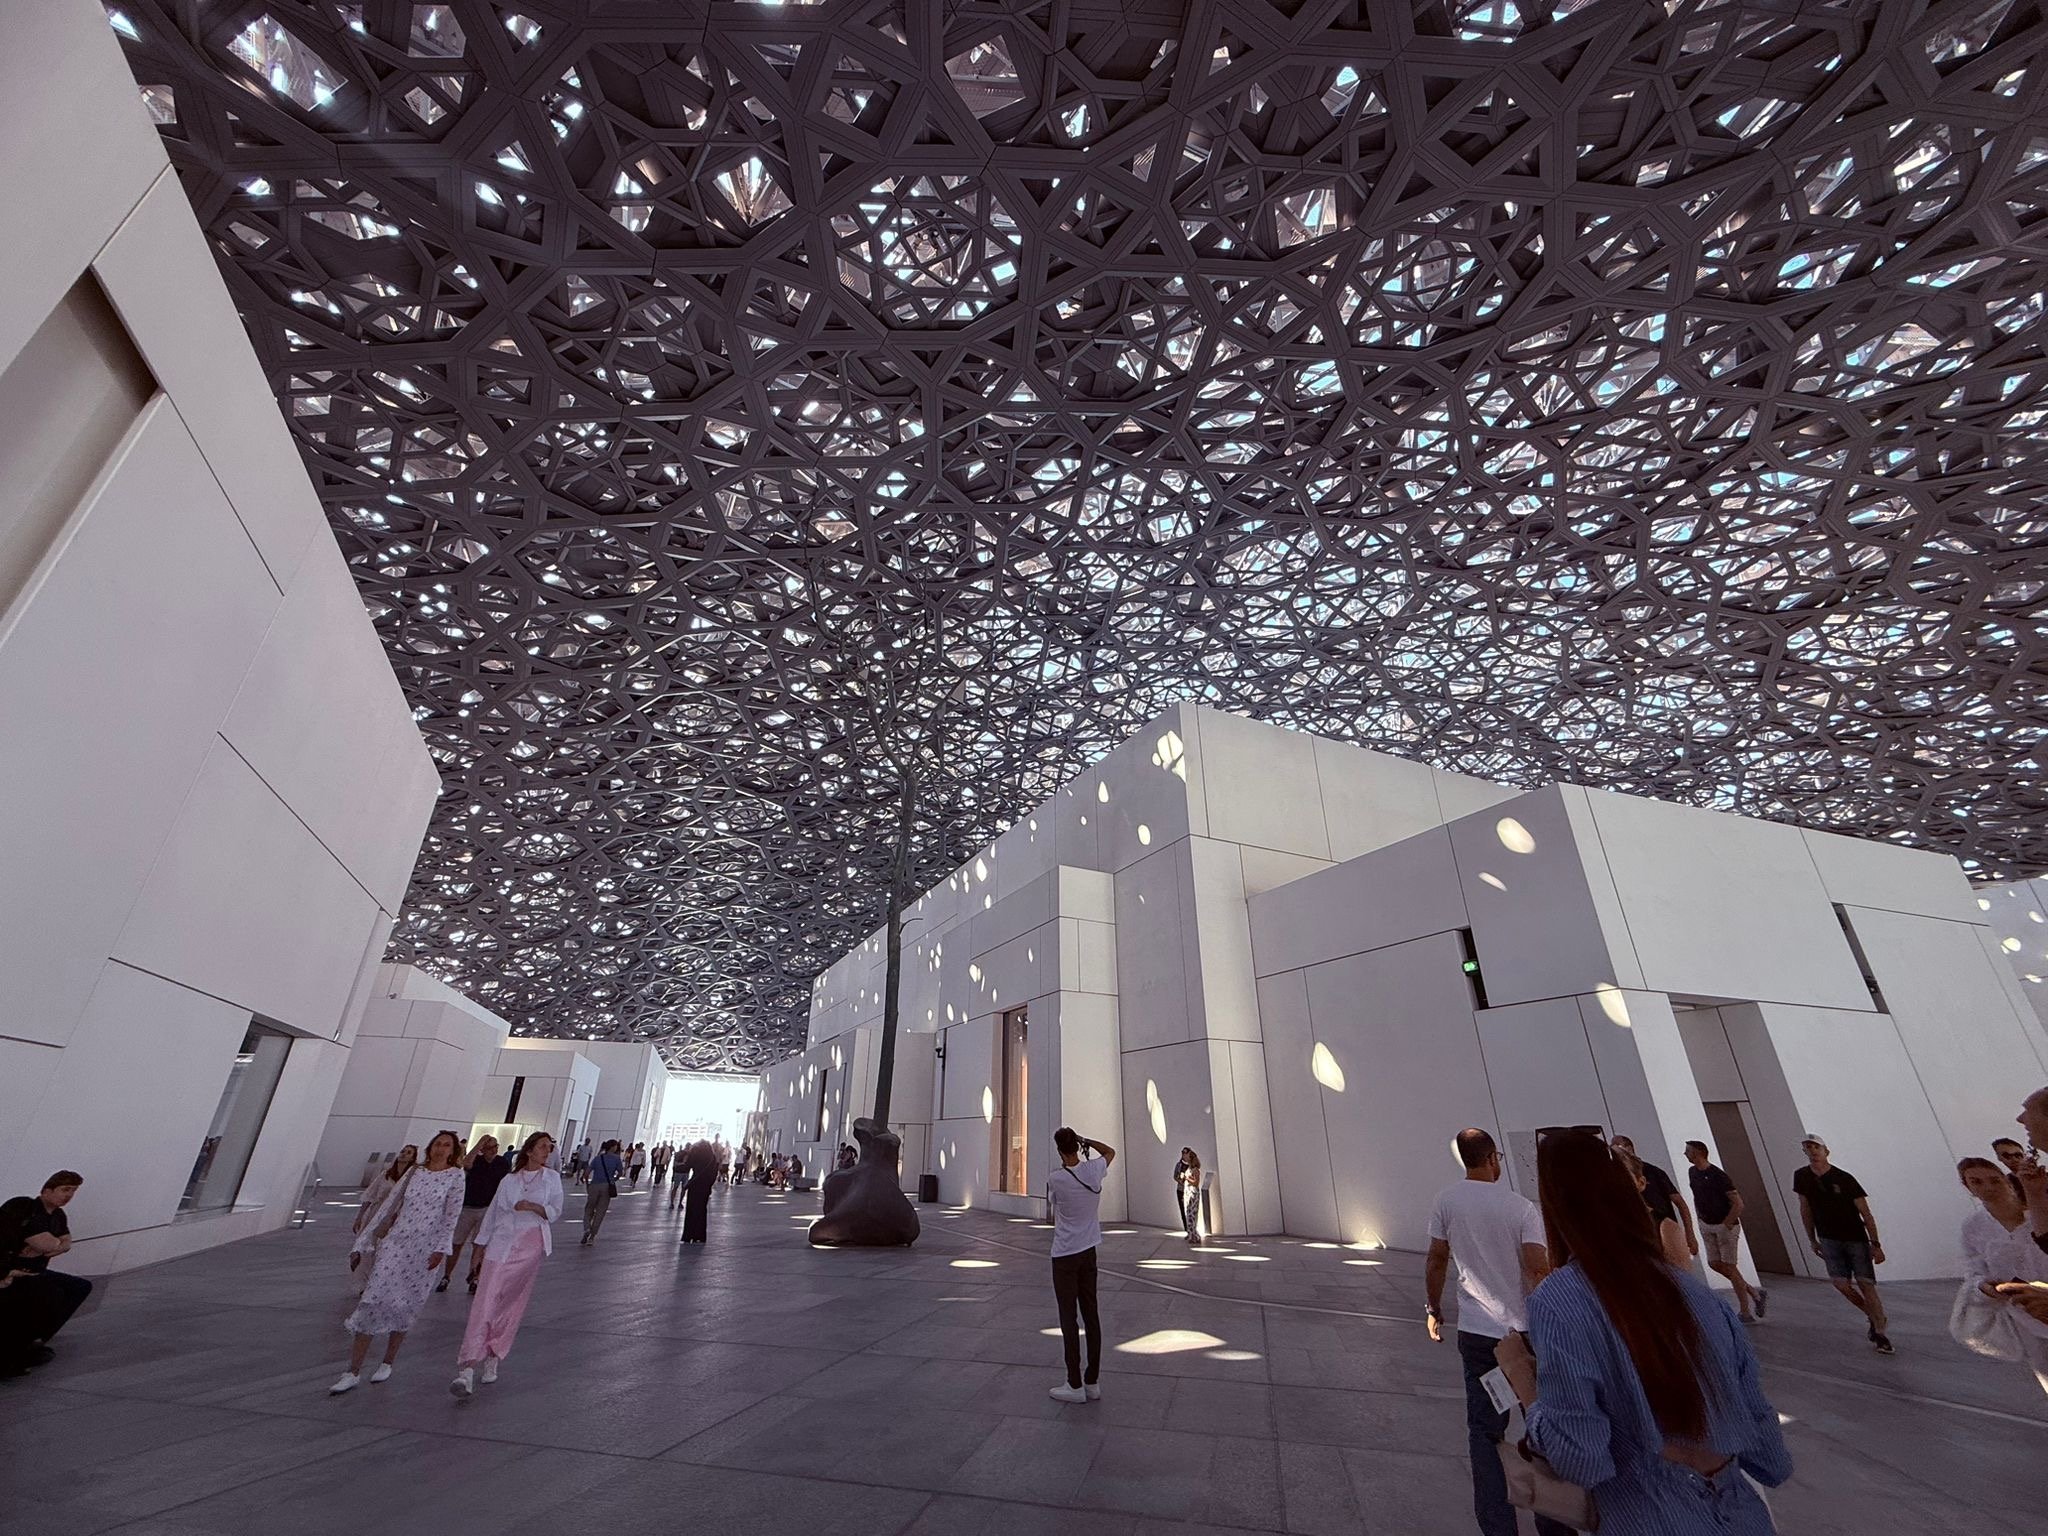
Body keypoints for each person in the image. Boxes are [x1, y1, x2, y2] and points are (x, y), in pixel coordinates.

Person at [1498, 1130, 1791, 1535]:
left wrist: (1524, 1382)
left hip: (1648, 1517)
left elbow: (1582, 1459)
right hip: (1743, 1517)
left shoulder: (1561, 1300)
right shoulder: (1698, 1296)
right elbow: (1771, 1459)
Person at [1424, 1129, 1570, 1536]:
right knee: (1541, 1425)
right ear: (1491, 1158)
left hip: (1477, 1337)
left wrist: (1433, 1308)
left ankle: (1497, 1525)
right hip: (1523, 1336)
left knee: (1485, 1433)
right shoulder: (1521, 1209)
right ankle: (1554, 1523)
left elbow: (1437, 1258)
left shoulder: (1446, 1201)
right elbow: (1538, 1269)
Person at [332, 1129, 465, 1393]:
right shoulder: (415, 1172)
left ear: (453, 1151)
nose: (440, 1149)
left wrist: (441, 1249)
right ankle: (353, 1370)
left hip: (424, 1249)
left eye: (446, 1145)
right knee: (372, 1298)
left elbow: (452, 1215)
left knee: (406, 1303)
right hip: (396, 1242)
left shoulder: (456, 1176)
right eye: (437, 1144)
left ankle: (388, 1361)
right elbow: (389, 1206)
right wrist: (364, 1242)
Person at [451, 1131, 562, 1397]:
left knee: (510, 1303)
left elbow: (556, 1210)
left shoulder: (551, 1179)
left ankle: (493, 1354)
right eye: (543, 1147)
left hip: (529, 1246)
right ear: (530, 1150)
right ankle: (466, 1367)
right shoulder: (509, 1180)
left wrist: (533, 1207)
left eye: (549, 1147)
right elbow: (493, 1213)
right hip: (501, 1243)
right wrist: (479, 1246)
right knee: (485, 1301)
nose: (547, 1151)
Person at [1955, 1156, 2048, 1395]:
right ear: (1968, 1187)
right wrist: (1984, 1287)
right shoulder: (1972, 1227)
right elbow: (1974, 1271)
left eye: (1993, 1181)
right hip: (2025, 1312)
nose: (1987, 1188)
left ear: (2006, 1181)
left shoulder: (2037, 1213)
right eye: (1977, 1182)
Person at [1792, 1133, 1892, 1353]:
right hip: (1828, 1237)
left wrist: (1875, 1243)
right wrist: (1812, 1238)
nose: (1813, 1151)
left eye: (1816, 1147)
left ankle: (1881, 1333)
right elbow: (1805, 1208)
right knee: (1841, 1284)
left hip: (1855, 1237)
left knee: (1866, 1283)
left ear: (1825, 1151)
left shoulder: (1844, 1178)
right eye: (1808, 1148)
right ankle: (1874, 1316)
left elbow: (1865, 1212)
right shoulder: (1802, 1177)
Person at [1046, 1127, 1115, 1404]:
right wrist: (1088, 1141)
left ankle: (1073, 1383)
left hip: (1064, 1253)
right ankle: (1092, 1381)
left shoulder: (1056, 1179)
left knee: (1068, 1318)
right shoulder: (1094, 1171)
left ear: (1059, 1150)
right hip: (1089, 1251)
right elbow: (1110, 1152)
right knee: (1091, 1315)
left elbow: (1054, 1209)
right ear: (1076, 1145)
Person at [0, 1171, 93, 1370]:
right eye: (65, 1190)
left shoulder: (58, 1215)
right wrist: (51, 1244)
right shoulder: (25, 1207)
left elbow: (64, 1243)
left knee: (80, 1286)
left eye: (73, 1191)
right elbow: (48, 1244)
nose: (69, 1195)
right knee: (51, 1293)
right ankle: (21, 1346)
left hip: (35, 1271)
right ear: (47, 1191)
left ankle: (39, 1337)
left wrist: (52, 1245)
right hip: (13, 1271)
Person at [1684, 1140, 1765, 1322]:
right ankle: (1753, 1292)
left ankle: (1745, 1311)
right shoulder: (1693, 1172)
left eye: (1688, 1151)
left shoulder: (1718, 1176)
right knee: (1714, 1263)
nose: (1685, 1154)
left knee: (1730, 1267)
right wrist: (1700, 1218)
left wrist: (1726, 1223)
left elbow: (1738, 1203)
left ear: (1698, 1153)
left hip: (1724, 1225)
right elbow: (1698, 1196)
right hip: (1707, 1223)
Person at [1610, 1135, 1697, 1263]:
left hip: (1662, 1233)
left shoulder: (1654, 1172)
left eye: (1618, 1147)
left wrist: (1690, 1234)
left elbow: (1680, 1203)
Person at [442, 1135, 510, 1295]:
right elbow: (465, 1164)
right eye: (490, 1147)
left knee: (479, 1245)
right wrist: (479, 1144)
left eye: (496, 1146)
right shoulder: (476, 1161)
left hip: (487, 1208)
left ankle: (474, 1277)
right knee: (456, 1243)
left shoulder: (501, 1163)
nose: (494, 1150)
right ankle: (446, 1276)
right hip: (467, 1208)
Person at [582, 1140, 624, 1245]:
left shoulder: (598, 1158)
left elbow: (587, 1173)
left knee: (589, 1209)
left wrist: (588, 1184)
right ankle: (592, 1236)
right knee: (600, 1212)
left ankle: (587, 1228)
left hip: (594, 1185)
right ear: (613, 1147)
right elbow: (620, 1173)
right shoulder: (616, 1159)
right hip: (607, 1187)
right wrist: (614, 1180)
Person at [680, 1139, 719, 1244]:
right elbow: (715, 1173)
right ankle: (700, 1236)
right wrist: (709, 1184)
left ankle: (688, 1235)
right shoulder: (712, 1157)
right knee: (702, 1210)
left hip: (695, 1185)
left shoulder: (696, 1152)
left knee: (691, 1210)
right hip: (705, 1187)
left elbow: (687, 1166)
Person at [1173, 1147, 1204, 1245]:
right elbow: (1176, 1176)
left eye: (1186, 1154)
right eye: (1183, 1153)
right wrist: (1181, 1179)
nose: (1184, 1156)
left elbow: (1196, 1182)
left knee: (1191, 1215)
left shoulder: (1194, 1169)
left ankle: (1194, 1235)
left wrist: (1186, 1178)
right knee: (1186, 1214)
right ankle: (1190, 1233)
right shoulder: (1180, 1165)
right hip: (1185, 1191)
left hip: (1192, 1193)